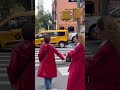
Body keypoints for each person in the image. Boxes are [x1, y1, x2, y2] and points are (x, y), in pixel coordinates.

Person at [86, 16, 120, 90]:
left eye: (97, 28)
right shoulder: (113, 44)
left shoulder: (106, 49)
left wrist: (85, 60)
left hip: (103, 85)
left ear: (104, 30)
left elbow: (93, 68)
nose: (95, 30)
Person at [7, 23, 35, 90]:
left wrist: (13, 82)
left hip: (21, 84)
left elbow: (12, 69)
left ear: (22, 34)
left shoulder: (17, 49)